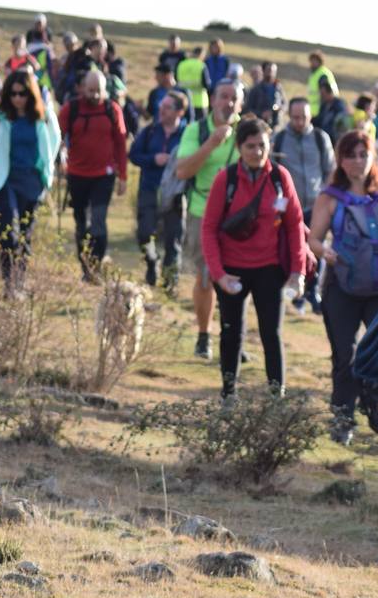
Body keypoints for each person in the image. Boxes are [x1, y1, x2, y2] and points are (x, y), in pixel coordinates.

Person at [199, 117, 305, 399]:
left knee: (272, 333)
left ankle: (275, 398)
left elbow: (295, 225)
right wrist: (218, 274)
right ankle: (228, 394)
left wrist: (298, 272)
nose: (257, 152)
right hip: (232, 267)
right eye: (250, 146)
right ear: (239, 147)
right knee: (231, 332)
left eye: (262, 145)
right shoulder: (227, 179)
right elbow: (208, 228)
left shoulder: (280, 178)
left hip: (269, 268)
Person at [307, 130, 378, 444]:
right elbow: (313, 238)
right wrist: (325, 252)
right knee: (344, 355)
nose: (358, 161)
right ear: (340, 159)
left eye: (364, 154)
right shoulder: (330, 196)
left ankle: (373, 403)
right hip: (341, 286)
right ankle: (343, 418)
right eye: (351, 155)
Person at [172, 79, 244, 358]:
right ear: (212, 99)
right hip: (202, 213)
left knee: (238, 278)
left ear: (240, 103)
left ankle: (233, 337)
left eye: (233, 98)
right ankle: (204, 336)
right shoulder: (196, 130)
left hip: (239, 219)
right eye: (223, 96)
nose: (228, 102)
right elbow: (182, 171)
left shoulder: (247, 130)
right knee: (205, 278)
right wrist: (212, 143)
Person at [0, 70, 62, 288]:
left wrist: (47, 170)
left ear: (30, 94)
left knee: (25, 235)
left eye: (22, 94)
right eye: (13, 94)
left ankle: (19, 282)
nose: (17, 98)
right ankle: (8, 282)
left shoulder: (42, 117)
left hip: (32, 182)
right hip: (3, 181)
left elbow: (54, 140)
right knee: (8, 233)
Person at [58, 68, 129, 277]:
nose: (95, 95)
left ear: (105, 89)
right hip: (77, 174)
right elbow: (57, 136)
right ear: (82, 89)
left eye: (98, 90)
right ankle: (85, 267)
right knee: (81, 224)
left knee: (98, 222)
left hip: (103, 176)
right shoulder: (70, 109)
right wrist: (59, 156)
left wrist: (123, 176)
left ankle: (96, 266)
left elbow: (120, 144)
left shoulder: (112, 109)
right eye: (90, 90)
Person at [273, 97, 335, 314]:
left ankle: (313, 291)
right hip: (291, 209)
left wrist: (325, 200)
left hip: (317, 207)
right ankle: (295, 292)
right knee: (295, 250)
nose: (299, 122)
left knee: (317, 248)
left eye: (304, 118)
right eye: (295, 117)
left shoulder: (320, 138)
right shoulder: (279, 139)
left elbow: (330, 171)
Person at [129, 91, 185, 288]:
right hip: (149, 188)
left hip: (176, 193)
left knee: (173, 239)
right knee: (144, 233)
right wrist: (153, 159)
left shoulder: (188, 134)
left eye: (167, 107)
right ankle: (152, 261)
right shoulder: (151, 130)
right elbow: (133, 155)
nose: (161, 110)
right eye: (161, 106)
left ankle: (170, 282)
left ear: (180, 111)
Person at [243, 61, 283, 126]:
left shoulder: (278, 87)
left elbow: (284, 103)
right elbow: (247, 109)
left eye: (274, 71)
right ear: (263, 71)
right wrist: (261, 114)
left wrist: (278, 109)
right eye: (269, 70)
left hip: (275, 123)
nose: (271, 73)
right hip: (259, 124)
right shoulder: (255, 89)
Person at [175, 39, 209, 115]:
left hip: (183, 102)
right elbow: (207, 84)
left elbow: (176, 80)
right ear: (201, 54)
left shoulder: (181, 64)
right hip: (199, 102)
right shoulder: (201, 65)